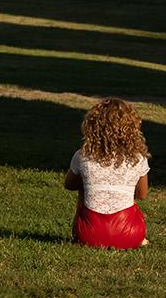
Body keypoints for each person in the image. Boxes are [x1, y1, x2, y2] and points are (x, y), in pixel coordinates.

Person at [64, 97, 150, 250]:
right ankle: (133, 239)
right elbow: (142, 195)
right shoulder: (138, 158)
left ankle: (80, 235)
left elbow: (69, 185)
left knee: (84, 187)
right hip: (129, 233)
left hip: (89, 234)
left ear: (92, 126)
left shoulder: (83, 155)